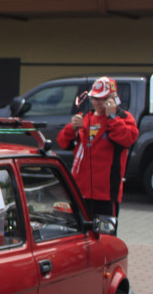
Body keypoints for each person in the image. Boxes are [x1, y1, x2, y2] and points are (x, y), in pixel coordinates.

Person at [57, 76, 139, 220]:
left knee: (105, 236)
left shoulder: (123, 118)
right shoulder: (84, 117)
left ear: (112, 99)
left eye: (101, 99)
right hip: (80, 191)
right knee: (81, 235)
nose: (97, 102)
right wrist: (71, 128)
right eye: (94, 98)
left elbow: (127, 139)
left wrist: (112, 117)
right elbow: (63, 143)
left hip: (106, 194)